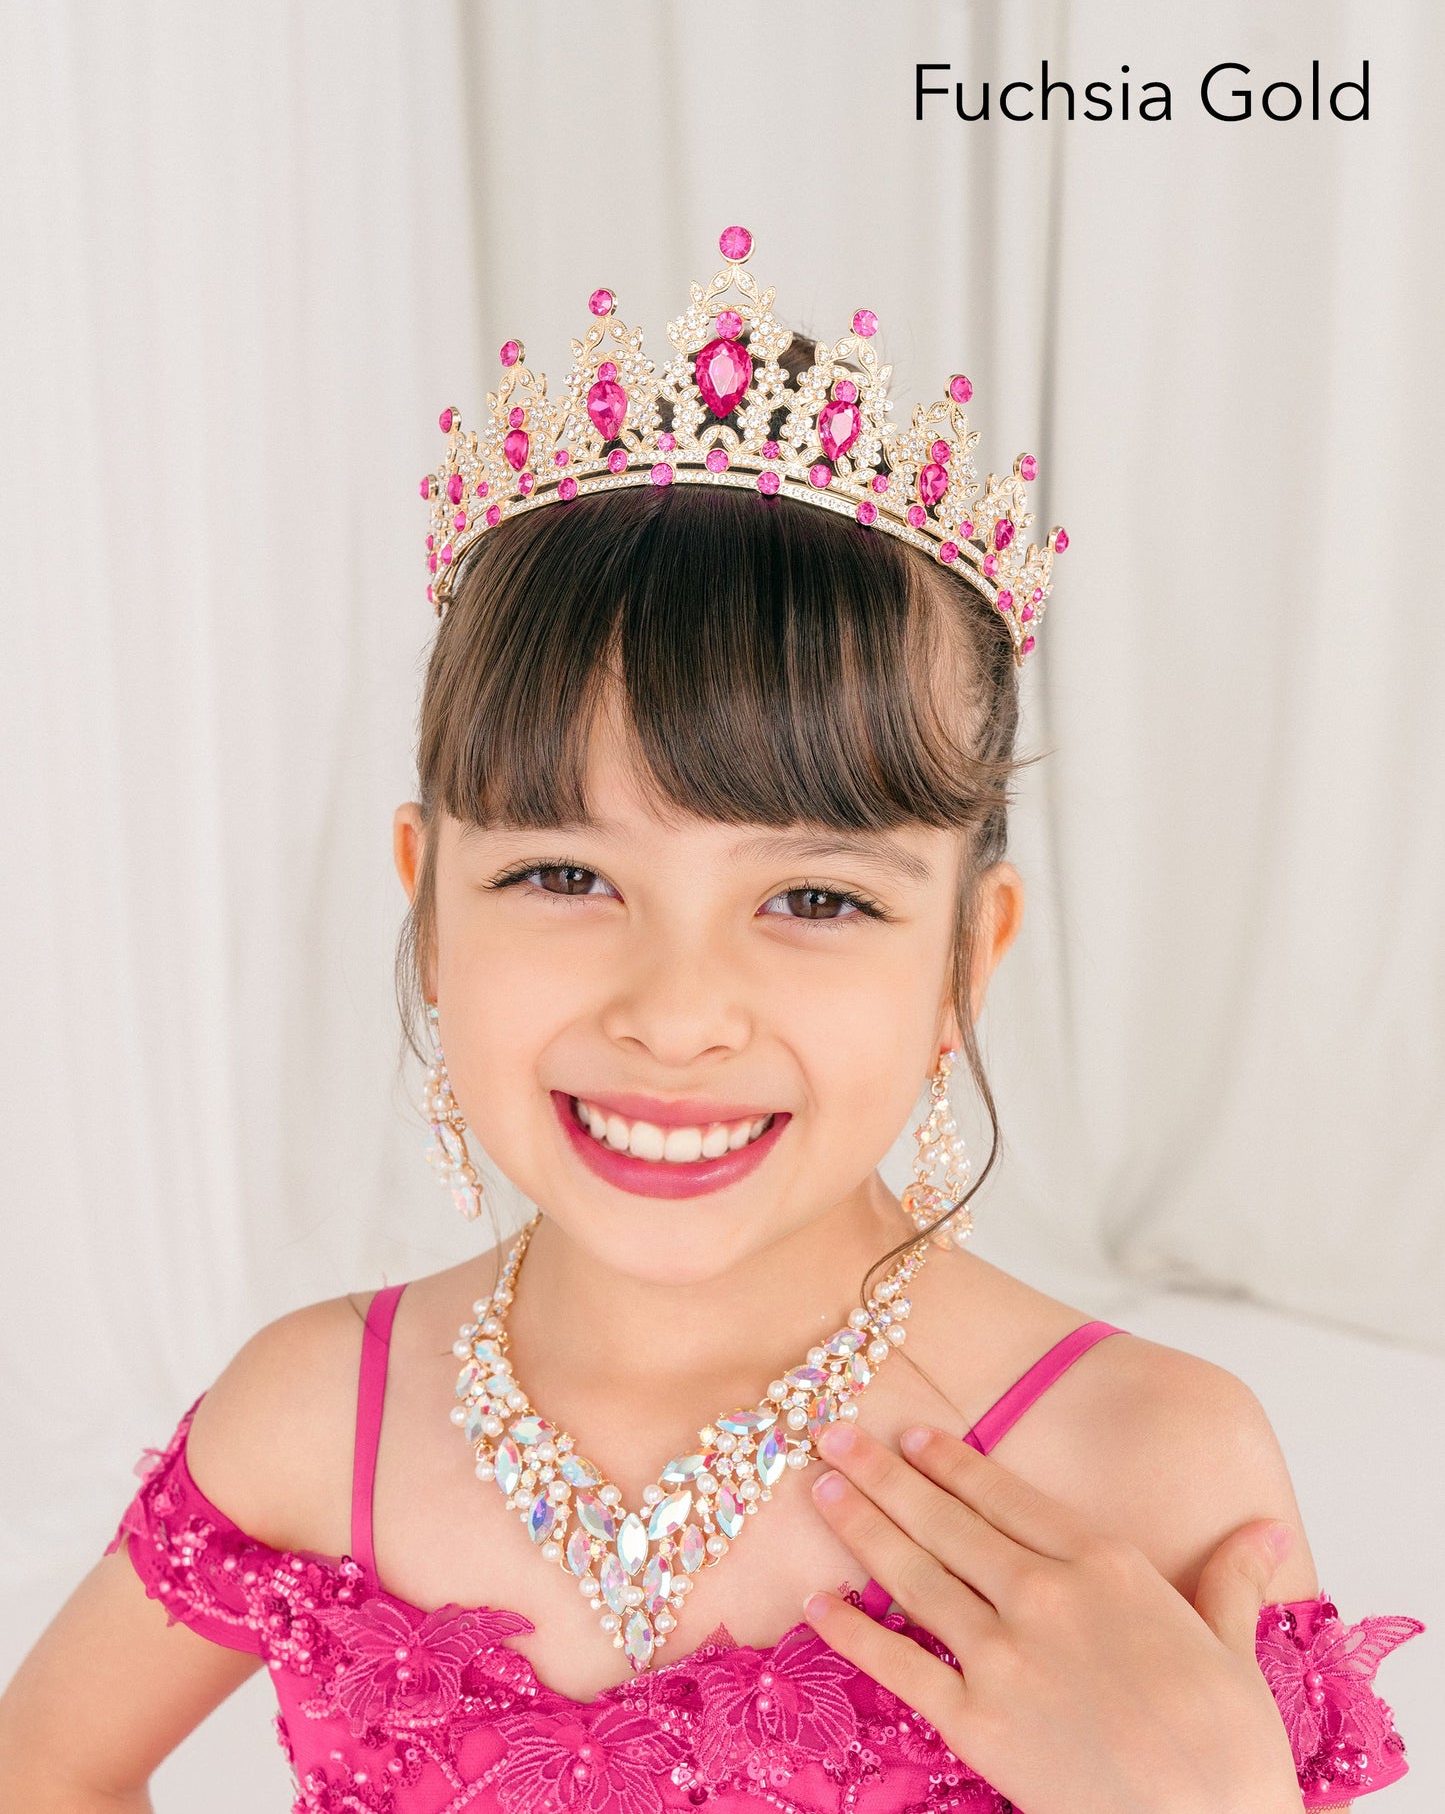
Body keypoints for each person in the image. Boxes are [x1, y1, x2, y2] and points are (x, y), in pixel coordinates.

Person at [0, 226, 1422, 1814]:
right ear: (428, 900)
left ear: (966, 955)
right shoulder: (316, 1413)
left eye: (814, 899)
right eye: (561, 871)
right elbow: (47, 1764)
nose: (676, 1015)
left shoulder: (1144, 1471)